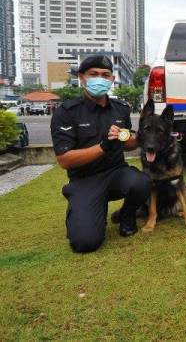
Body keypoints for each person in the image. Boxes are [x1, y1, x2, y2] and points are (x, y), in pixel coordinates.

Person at [50, 55, 151, 253]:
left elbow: (129, 144)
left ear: (112, 80)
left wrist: (132, 137)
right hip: (85, 180)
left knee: (142, 181)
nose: (100, 78)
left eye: (105, 75)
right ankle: (86, 207)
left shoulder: (121, 109)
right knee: (85, 242)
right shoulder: (67, 112)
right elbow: (65, 160)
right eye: (93, 74)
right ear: (82, 77)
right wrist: (103, 146)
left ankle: (127, 216)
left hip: (116, 173)